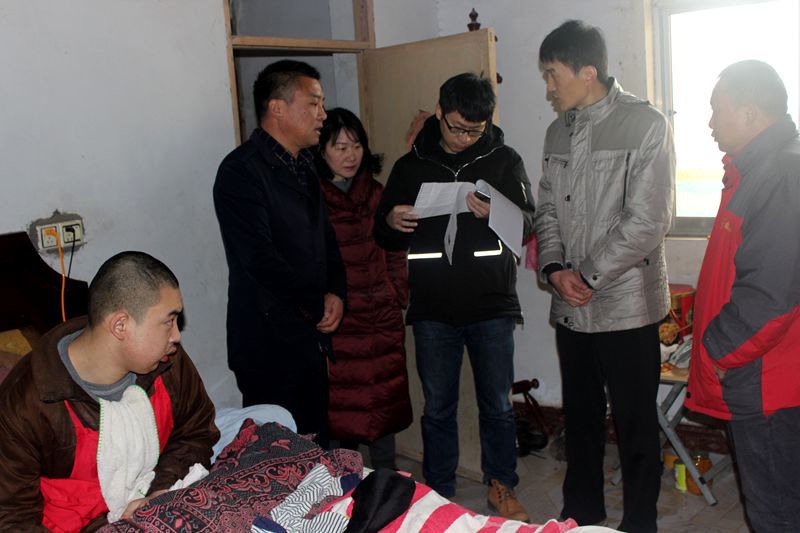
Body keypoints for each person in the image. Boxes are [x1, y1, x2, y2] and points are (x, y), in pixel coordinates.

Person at [374, 72, 535, 521]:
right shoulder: (410, 166)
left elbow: (528, 225)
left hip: (492, 303)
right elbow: (382, 232)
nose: (464, 138)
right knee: (438, 408)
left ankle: (501, 484)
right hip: (432, 306)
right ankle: (438, 491)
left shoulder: (504, 159)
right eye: (457, 128)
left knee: (497, 405)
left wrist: (498, 212)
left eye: (475, 131)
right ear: (439, 112)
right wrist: (392, 221)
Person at [536, 20, 675, 532]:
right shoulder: (557, 131)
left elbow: (648, 221)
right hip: (572, 305)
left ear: (587, 72)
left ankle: (639, 523)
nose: (549, 87)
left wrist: (588, 275)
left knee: (636, 423)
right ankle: (581, 516)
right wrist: (555, 269)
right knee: (581, 419)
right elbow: (546, 209)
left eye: (553, 74)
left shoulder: (645, 124)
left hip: (627, 304)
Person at [0, 251, 219, 531]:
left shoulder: (168, 361)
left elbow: (196, 433)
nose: (176, 335)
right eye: (168, 321)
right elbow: (11, 518)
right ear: (120, 325)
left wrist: (157, 495)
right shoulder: (25, 405)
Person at [685, 60, 800, 533]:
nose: (711, 122)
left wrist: (717, 350)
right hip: (762, 371)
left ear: (750, 112)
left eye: (718, 109)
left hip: (768, 379)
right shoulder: (755, 172)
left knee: (776, 513)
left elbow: (770, 296)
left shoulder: (780, 174)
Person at [214, 60, 347, 446]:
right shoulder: (240, 171)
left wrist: (336, 292)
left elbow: (327, 241)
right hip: (267, 342)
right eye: (314, 103)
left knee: (315, 443)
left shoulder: (304, 167)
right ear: (277, 108)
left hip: (308, 336)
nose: (323, 114)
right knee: (277, 452)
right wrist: (317, 301)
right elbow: (260, 258)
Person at [314, 107, 412, 469]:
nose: (350, 155)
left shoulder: (377, 193)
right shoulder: (313, 198)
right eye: (340, 147)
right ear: (321, 151)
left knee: (384, 405)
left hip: (381, 317)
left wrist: (396, 294)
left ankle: (387, 480)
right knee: (342, 409)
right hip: (340, 322)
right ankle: (343, 484)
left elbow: (396, 250)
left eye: (356, 146)